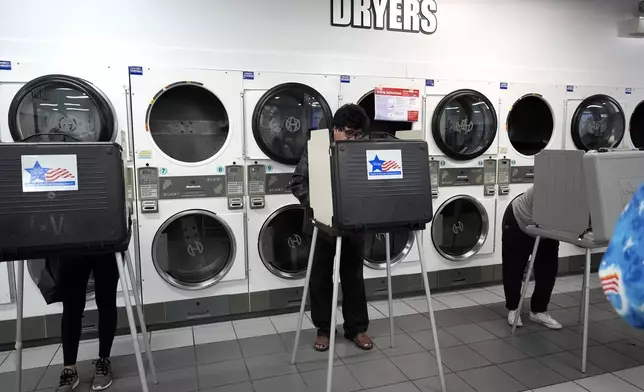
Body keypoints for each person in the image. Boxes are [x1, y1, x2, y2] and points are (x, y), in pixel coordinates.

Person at [289, 103, 373, 352]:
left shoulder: (363, 150)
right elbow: (297, 182)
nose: (352, 139)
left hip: (354, 224)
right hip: (322, 224)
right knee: (320, 278)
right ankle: (324, 329)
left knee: (353, 277)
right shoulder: (315, 148)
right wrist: (319, 206)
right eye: (348, 133)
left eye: (357, 134)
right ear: (334, 129)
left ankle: (356, 329)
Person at [502, 186, 563, 330]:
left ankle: (538, 311)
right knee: (514, 267)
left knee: (548, 270)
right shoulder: (551, 187)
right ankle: (513, 308)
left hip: (548, 227)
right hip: (519, 219)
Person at [56, 254, 119, 391]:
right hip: (71, 243)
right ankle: (69, 368)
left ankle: (104, 360)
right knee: (71, 307)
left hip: (106, 243)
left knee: (106, 302)